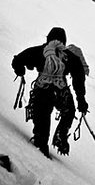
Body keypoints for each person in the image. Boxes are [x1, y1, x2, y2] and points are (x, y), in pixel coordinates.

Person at [12, 27, 88, 157]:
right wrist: (81, 100)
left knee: (42, 121)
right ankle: (61, 136)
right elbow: (79, 78)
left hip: (42, 91)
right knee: (69, 111)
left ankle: (41, 147)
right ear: (64, 41)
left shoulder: (39, 51)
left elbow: (18, 60)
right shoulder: (70, 57)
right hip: (61, 92)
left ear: (48, 38)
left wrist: (20, 71)